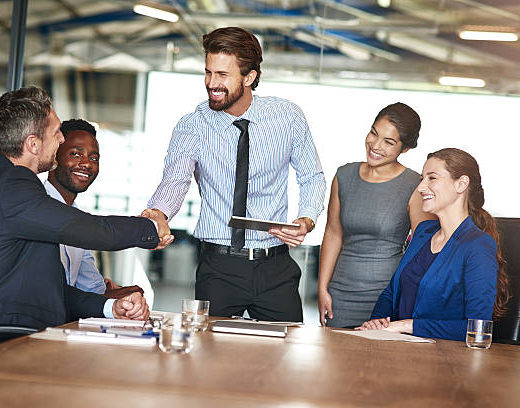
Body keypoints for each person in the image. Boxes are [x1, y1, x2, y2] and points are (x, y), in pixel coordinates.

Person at [143, 27, 326, 321]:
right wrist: (159, 214)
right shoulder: (193, 125)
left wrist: (306, 218)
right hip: (219, 267)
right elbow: (175, 181)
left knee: (283, 357)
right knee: (209, 358)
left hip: (275, 267)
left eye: (222, 75)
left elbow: (311, 176)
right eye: (208, 73)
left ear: (249, 77)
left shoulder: (287, 117)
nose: (211, 83)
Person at [0, 86, 169, 330]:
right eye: (56, 133)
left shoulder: (3, 184)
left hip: (16, 334)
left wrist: (110, 307)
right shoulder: (11, 185)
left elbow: (47, 288)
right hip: (1, 342)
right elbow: (86, 228)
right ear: (33, 144)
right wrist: (148, 228)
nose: (62, 139)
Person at [356, 148, 510, 340]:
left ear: (461, 184)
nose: (421, 187)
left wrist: (406, 326)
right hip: (397, 350)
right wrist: (376, 326)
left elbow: (477, 328)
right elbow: (391, 292)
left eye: (432, 178)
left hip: (445, 361)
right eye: (422, 178)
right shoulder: (423, 232)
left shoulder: (477, 245)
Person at [318, 103, 433, 328]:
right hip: (339, 295)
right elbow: (333, 234)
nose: (375, 145)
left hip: (385, 298)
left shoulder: (414, 185)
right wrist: (322, 288)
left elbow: (422, 250)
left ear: (405, 148)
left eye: (389, 142)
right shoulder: (344, 175)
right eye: (373, 133)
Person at [44, 118, 145, 299]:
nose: (87, 164)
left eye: (94, 158)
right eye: (76, 154)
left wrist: (128, 294)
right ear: (54, 156)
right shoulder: (38, 206)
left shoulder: (78, 219)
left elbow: (91, 289)